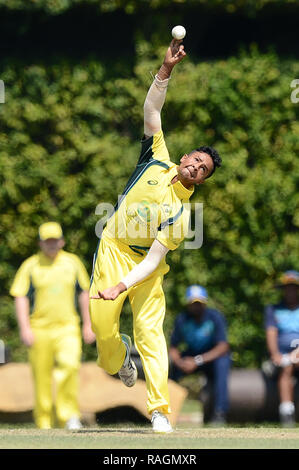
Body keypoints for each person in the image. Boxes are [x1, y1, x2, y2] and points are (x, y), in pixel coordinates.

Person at [89, 39, 222, 433]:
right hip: (113, 247)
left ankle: (159, 410)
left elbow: (151, 261)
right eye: (196, 160)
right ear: (184, 158)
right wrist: (165, 70)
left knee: (150, 334)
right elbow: (151, 109)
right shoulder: (155, 156)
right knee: (103, 333)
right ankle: (119, 363)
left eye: (204, 170)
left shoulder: (182, 215)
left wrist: (122, 287)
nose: (197, 167)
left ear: (201, 181)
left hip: (147, 268)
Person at [10, 222, 95, 430]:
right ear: (40, 243)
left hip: (68, 327)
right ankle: (44, 422)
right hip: (39, 329)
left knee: (70, 365)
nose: (51, 245)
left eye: (55, 241)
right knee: (41, 376)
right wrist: (25, 328)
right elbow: (21, 296)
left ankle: (69, 416)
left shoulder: (72, 262)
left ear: (62, 241)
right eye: (47, 241)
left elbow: (84, 293)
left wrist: (88, 325)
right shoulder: (30, 265)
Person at [169, 285, 230, 425]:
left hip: (211, 356)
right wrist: (179, 363)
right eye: (193, 304)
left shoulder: (215, 317)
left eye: (199, 304)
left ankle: (220, 412)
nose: (196, 307)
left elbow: (223, 346)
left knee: (222, 364)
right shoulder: (182, 319)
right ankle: (163, 410)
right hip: (191, 355)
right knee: (168, 370)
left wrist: (198, 361)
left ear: (205, 303)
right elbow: (173, 348)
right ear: (188, 304)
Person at [264, 270, 299, 427]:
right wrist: (276, 354)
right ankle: (286, 411)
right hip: (284, 355)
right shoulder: (273, 309)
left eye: (293, 288)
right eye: (287, 288)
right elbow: (271, 333)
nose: (290, 291)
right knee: (286, 366)